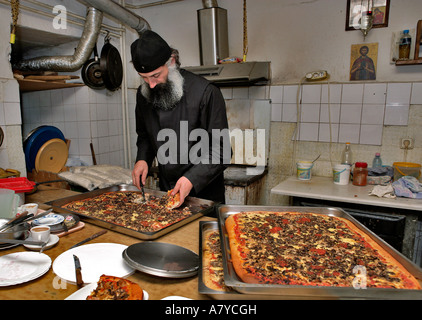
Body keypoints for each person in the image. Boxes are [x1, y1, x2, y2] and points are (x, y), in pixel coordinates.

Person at [130, 30, 231, 207]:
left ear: (171, 62)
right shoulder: (143, 94)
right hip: (167, 190)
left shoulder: (206, 93)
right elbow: (145, 135)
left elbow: (221, 151)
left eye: (155, 75)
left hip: (204, 194)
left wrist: (191, 179)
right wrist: (142, 159)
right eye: (144, 78)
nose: (151, 85)